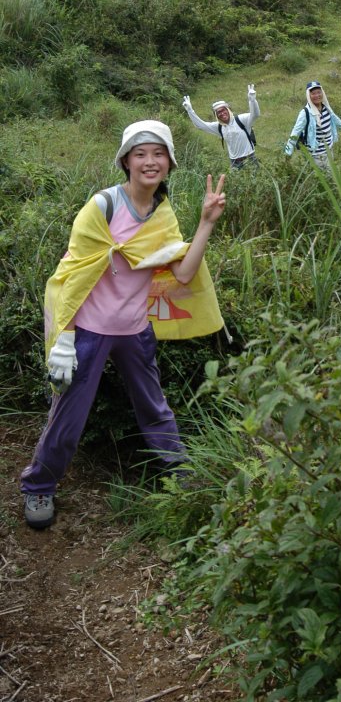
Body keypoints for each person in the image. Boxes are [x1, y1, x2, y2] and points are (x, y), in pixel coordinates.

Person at [21, 120, 226, 529]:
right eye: (140, 153)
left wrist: (206, 223)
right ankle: (38, 485)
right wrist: (65, 336)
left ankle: (180, 475)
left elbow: (184, 274)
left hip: (135, 329)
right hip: (90, 330)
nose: (150, 161)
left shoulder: (163, 215)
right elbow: (72, 274)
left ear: (169, 162)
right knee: (68, 416)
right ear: (125, 161)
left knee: (155, 408)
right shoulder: (103, 206)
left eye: (158, 153)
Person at [182, 85, 260, 169]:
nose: (222, 113)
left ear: (228, 110)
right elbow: (200, 125)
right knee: (235, 182)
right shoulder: (219, 127)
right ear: (216, 115)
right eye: (219, 112)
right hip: (234, 162)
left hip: (249, 159)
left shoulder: (241, 119)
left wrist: (252, 100)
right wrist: (190, 111)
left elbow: (255, 114)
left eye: (223, 110)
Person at [284, 81, 341, 169]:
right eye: (313, 93)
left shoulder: (326, 107)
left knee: (330, 178)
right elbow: (295, 132)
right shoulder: (305, 113)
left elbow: (334, 118)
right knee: (320, 179)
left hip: (329, 151)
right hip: (315, 155)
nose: (317, 95)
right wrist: (288, 151)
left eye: (319, 92)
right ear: (308, 96)